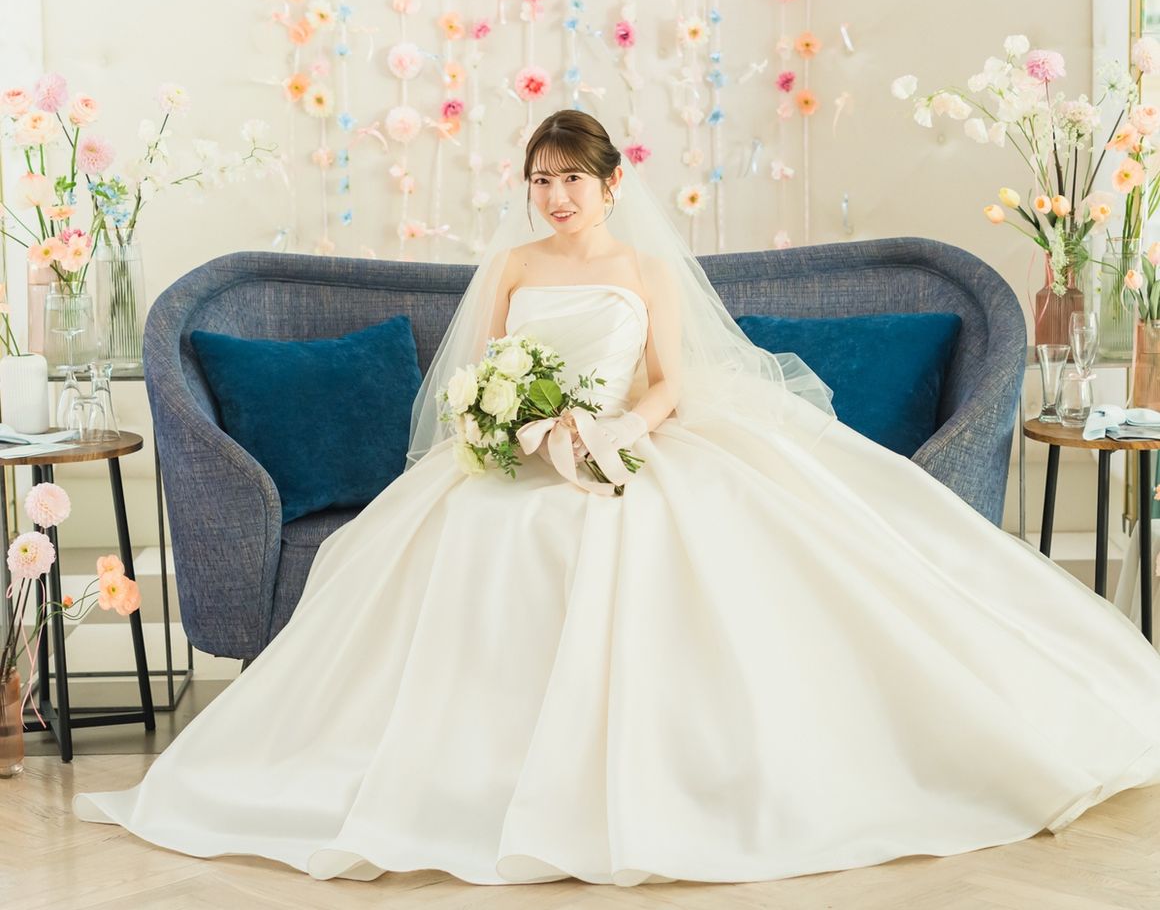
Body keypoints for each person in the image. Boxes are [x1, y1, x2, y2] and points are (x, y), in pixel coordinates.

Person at [74, 110, 1160, 887]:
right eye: (539, 180)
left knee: (662, 536)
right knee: (468, 540)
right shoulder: (510, 271)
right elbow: (475, 380)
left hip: (631, 439)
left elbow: (673, 381)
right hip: (518, 450)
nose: (554, 197)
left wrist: (618, 432)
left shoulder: (643, 271)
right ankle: (464, 772)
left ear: (608, 183)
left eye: (571, 180)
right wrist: (516, 426)